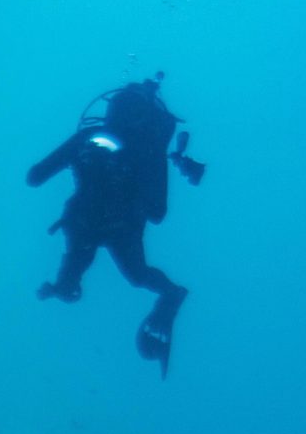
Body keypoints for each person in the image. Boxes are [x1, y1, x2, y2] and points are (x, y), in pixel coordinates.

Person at [27, 76, 193, 375]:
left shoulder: (91, 138)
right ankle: (170, 295)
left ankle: (170, 295)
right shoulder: (147, 152)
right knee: (136, 276)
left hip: (88, 224)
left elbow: (35, 176)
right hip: (118, 229)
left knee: (76, 282)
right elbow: (158, 213)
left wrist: (83, 158)